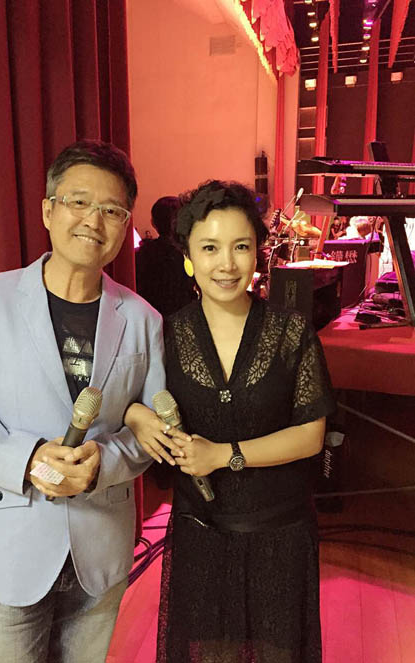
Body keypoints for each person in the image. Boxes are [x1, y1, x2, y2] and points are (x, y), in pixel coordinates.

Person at [0, 140, 166, 663]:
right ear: (48, 210)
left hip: (102, 547)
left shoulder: (143, 319)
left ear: (125, 224)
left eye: (112, 210)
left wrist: (104, 462)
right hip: (15, 543)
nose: (93, 221)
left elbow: (148, 432)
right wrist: (27, 459)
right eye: (79, 202)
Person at [125, 180, 336, 662]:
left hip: (280, 532)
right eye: (210, 248)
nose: (226, 263)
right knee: (209, 652)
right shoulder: (166, 334)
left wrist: (224, 455)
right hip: (201, 532)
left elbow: (311, 435)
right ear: (188, 259)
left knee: (278, 651)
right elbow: (127, 398)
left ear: (257, 253)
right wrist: (134, 414)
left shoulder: (291, 331)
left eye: (240, 246)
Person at [135, 196, 196, 316]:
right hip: (186, 313)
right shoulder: (190, 251)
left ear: (153, 223)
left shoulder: (143, 253)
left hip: (151, 314)